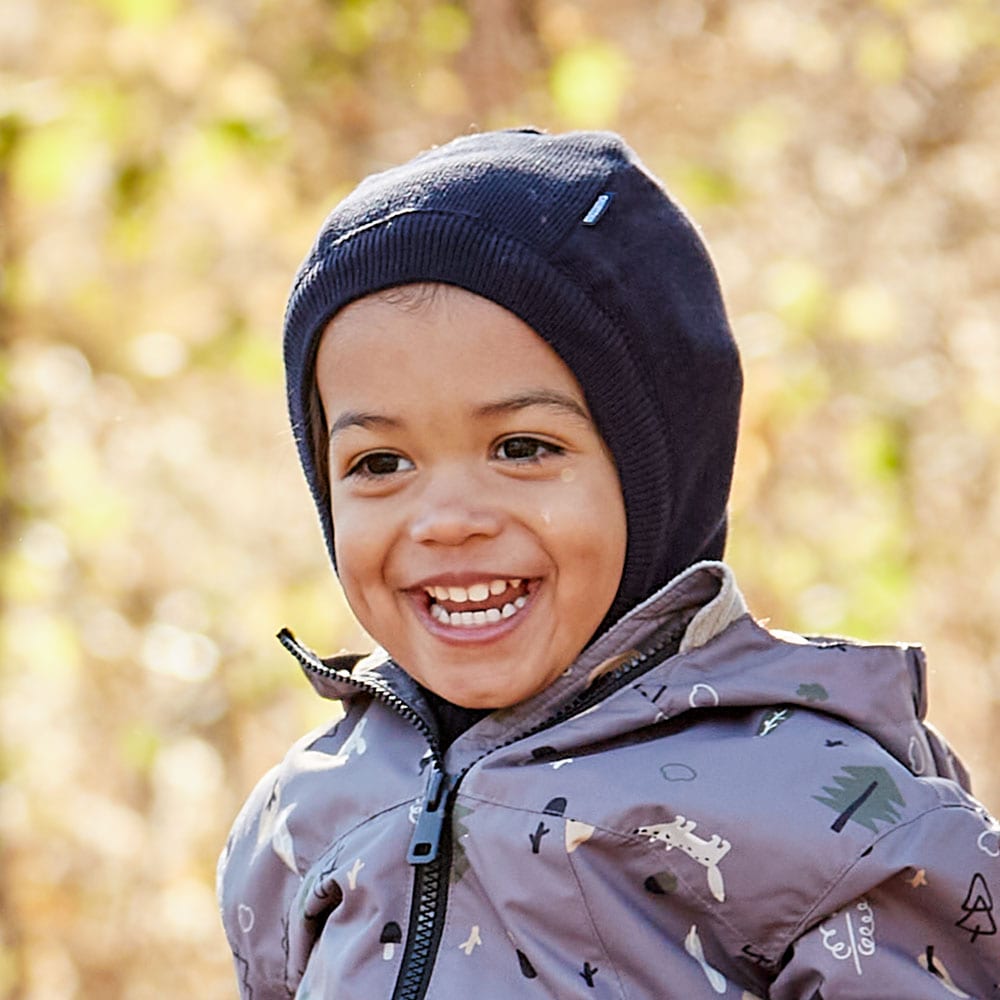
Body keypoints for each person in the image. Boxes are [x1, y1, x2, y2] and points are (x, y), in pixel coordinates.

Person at [217, 128, 1000, 998]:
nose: (445, 522)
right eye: (380, 464)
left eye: (520, 447)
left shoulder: (834, 817)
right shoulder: (303, 818)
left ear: (659, 467)